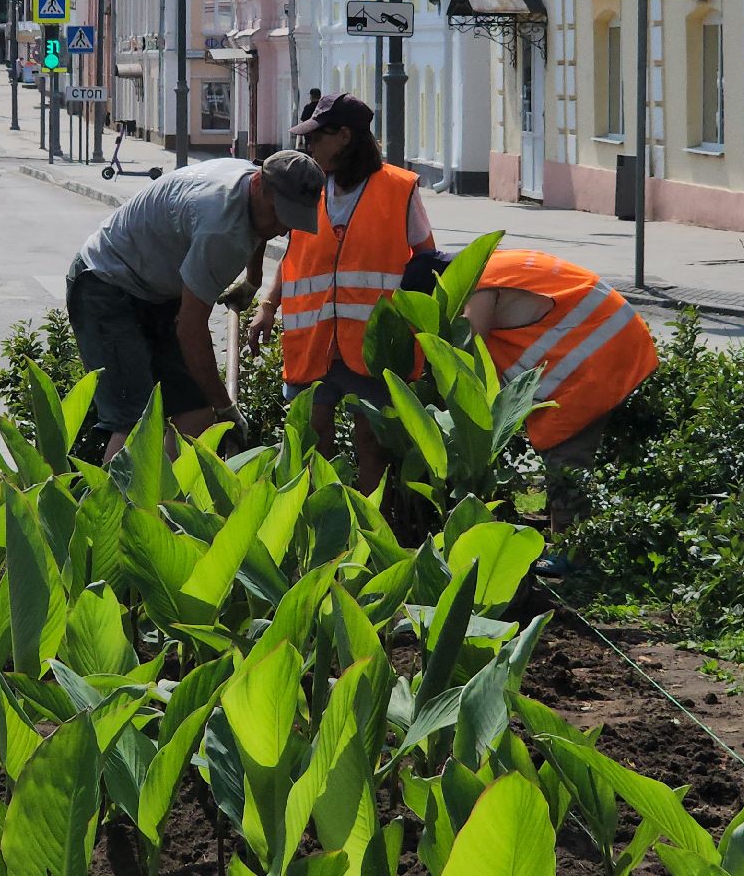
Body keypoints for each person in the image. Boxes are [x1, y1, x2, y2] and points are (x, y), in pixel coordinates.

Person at [69, 151, 325, 459]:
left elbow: (260, 226)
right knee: (135, 424)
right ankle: (111, 506)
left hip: (154, 289)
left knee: (197, 414)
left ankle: (168, 503)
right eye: (279, 215)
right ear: (259, 183)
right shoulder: (220, 230)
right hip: (104, 285)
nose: (282, 229)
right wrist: (227, 407)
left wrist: (253, 279)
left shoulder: (250, 185)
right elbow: (191, 330)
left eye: (292, 220)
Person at [248, 93, 434, 491]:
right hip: (312, 342)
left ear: (344, 136)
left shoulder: (399, 189)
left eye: (316, 137)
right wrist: (267, 305)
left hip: (373, 345)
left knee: (371, 441)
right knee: (312, 441)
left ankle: (368, 530)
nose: (308, 146)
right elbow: (294, 254)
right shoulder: (309, 186)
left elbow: (426, 262)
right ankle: (318, 528)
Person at [461, 248, 659, 576]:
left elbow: (465, 356)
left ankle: (575, 555)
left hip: (596, 357)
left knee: (565, 458)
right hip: (612, 340)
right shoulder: (492, 267)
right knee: (563, 456)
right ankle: (568, 539)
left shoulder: (479, 291)